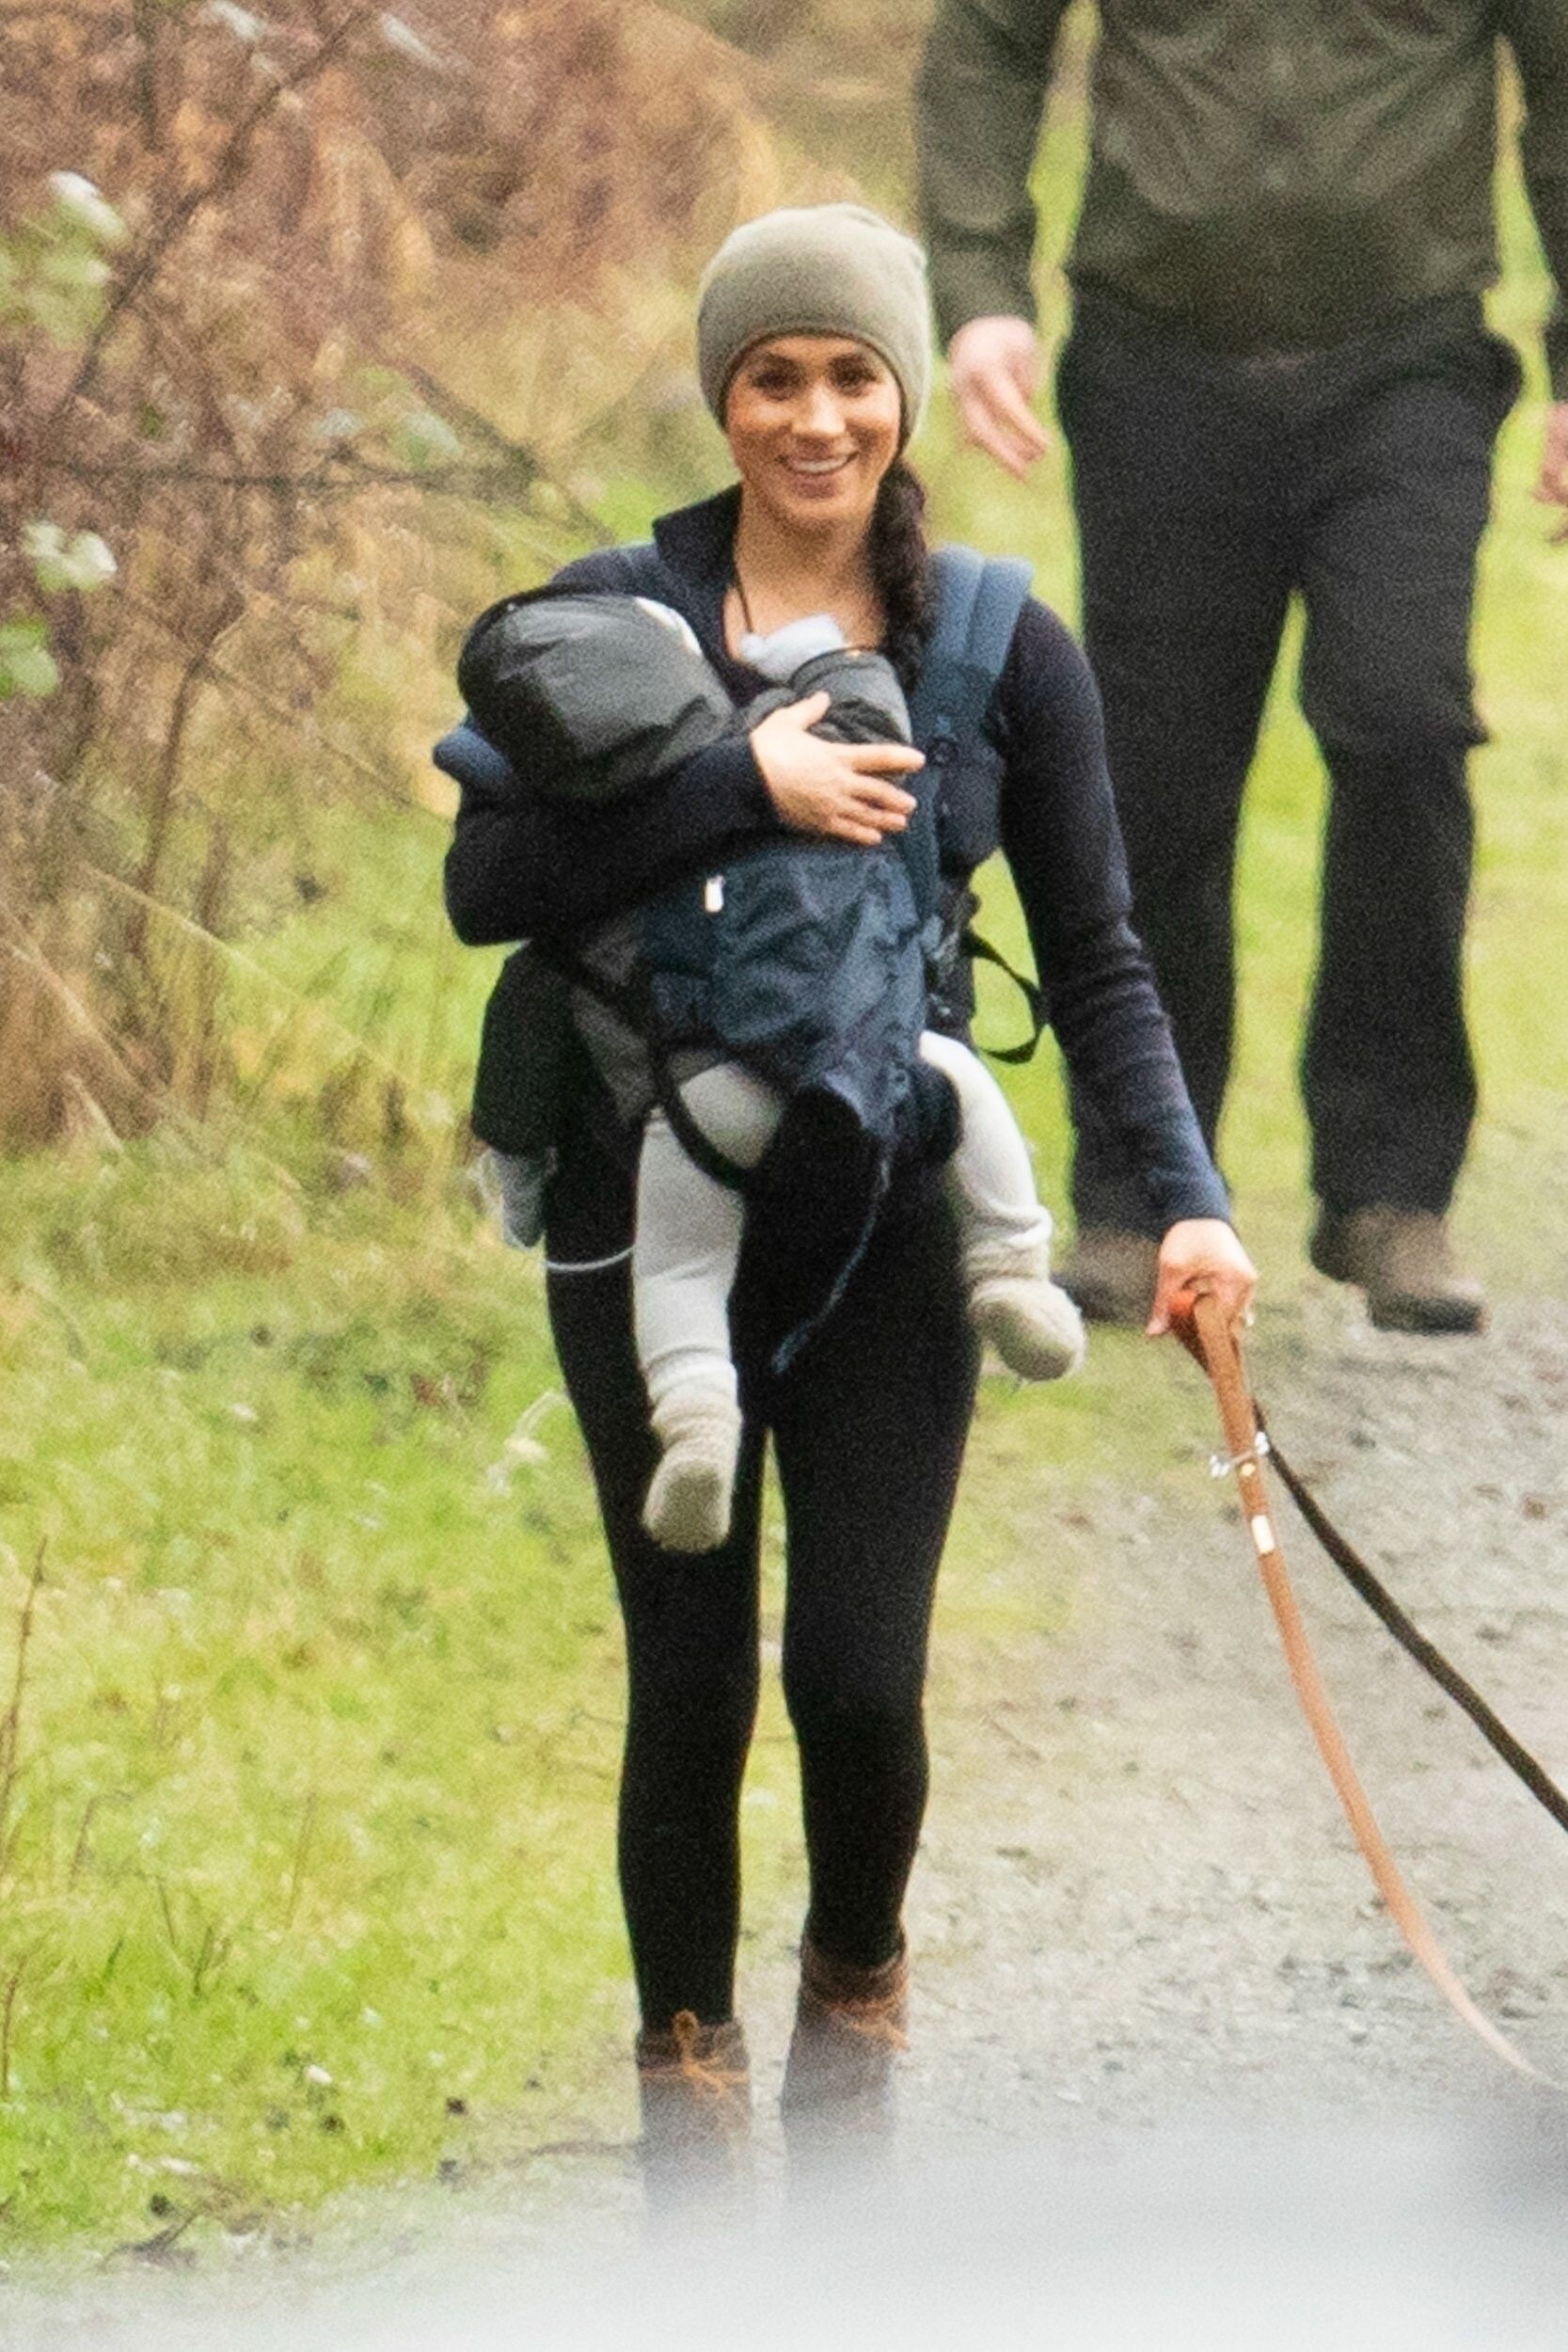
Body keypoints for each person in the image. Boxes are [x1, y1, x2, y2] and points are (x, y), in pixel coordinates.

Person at [442, 202, 1255, 2202]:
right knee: (689, 1676)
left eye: (851, 378)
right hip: (645, 1206)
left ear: (903, 398)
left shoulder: (994, 645)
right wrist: (749, 783)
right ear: (722, 398)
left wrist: (1186, 1203)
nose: (814, 419)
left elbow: (1099, 954)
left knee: (858, 1680)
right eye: (772, 378)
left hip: (892, 1205)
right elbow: (485, 888)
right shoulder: (609, 617)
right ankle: (689, 2119)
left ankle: (853, 2019)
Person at [915, 0, 1568, 1334]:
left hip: (1406, 366)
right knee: (1154, 781)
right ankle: (1139, 1195)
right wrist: (978, 293)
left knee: (1401, 726)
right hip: (1156, 367)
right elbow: (986, 37)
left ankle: (1390, 1192)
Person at [441, 587, 1086, 1560]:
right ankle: (1010, 1271)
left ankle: (696, 1419)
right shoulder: (778, 732)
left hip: (699, 1096)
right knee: (960, 1086)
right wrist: (819, 656)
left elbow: (521, 1043)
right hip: (858, 1058)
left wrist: (523, 1185)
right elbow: (872, 718)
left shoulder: (600, 829)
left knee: (679, 1268)